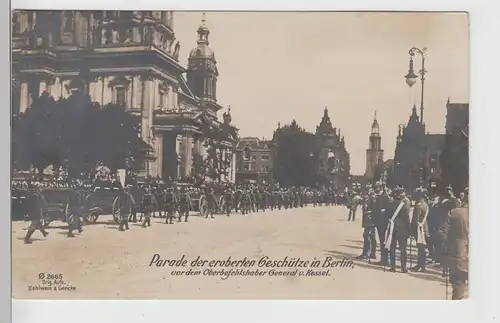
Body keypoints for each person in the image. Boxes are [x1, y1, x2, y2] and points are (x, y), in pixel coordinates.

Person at [442, 187, 469, 300]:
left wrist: (444, 253)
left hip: (459, 254)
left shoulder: (455, 213)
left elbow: (443, 234)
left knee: (458, 287)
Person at [385, 186, 411, 273]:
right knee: (403, 249)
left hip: (392, 227)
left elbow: (387, 215)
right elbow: (407, 218)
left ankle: (393, 267)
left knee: (392, 248)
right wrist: (409, 230)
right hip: (402, 228)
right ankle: (403, 267)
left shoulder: (390, 203)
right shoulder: (404, 205)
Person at [410, 188, 430, 272]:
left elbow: (415, 220)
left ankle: (420, 265)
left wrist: (411, 231)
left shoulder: (418, 206)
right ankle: (422, 265)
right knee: (422, 248)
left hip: (419, 230)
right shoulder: (425, 204)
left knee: (420, 248)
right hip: (424, 228)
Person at [356, 191, 377, 260]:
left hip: (370, 221)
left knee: (367, 236)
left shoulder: (373, 199)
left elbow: (376, 210)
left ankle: (366, 254)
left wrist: (369, 212)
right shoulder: (367, 200)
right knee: (371, 237)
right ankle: (372, 253)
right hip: (368, 220)